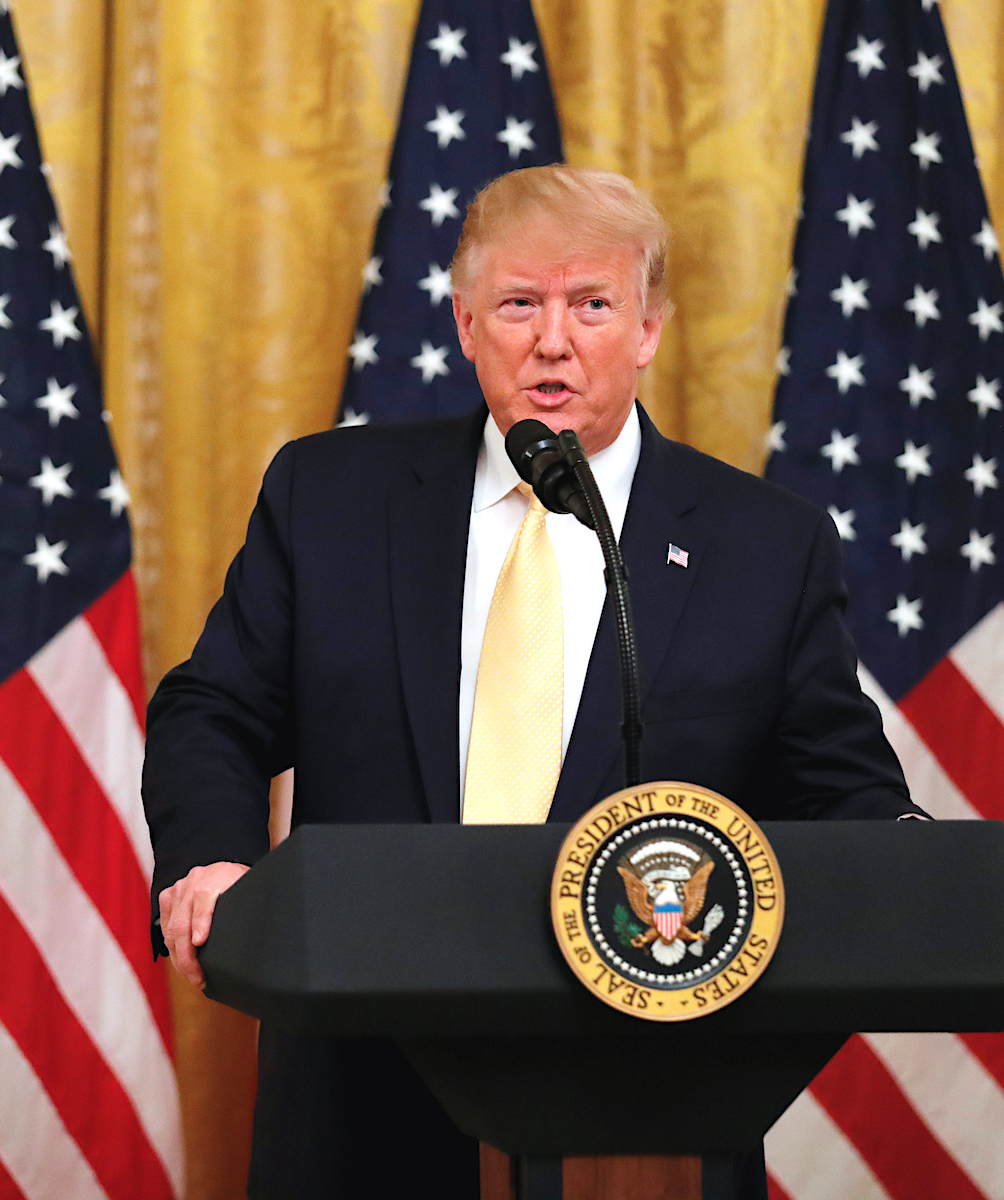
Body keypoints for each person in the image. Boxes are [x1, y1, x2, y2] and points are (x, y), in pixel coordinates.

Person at [142, 165, 926, 1199]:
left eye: (592, 305)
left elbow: (844, 788)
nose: (553, 340)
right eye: (519, 304)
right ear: (466, 324)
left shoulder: (765, 545)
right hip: (363, 1091)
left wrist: (904, 863)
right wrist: (212, 859)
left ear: (648, 330)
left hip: (645, 1096)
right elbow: (215, 708)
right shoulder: (330, 497)